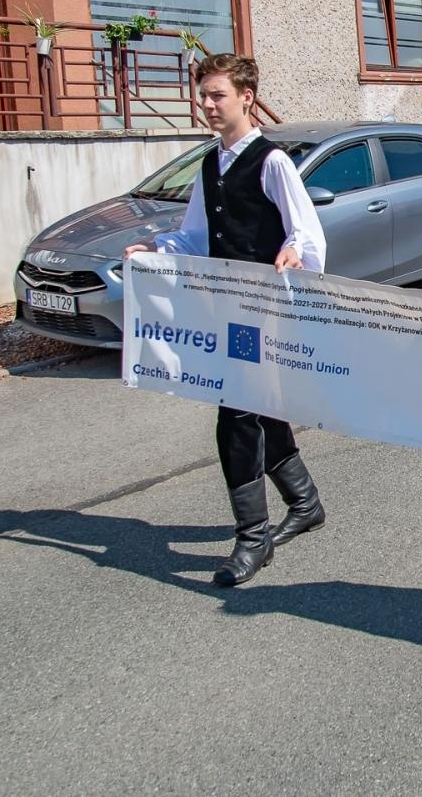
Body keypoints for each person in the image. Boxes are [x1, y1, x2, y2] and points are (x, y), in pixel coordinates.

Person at [124, 54, 328, 587]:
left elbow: (306, 231)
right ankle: (304, 503)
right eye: (204, 95)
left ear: (246, 96)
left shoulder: (272, 161)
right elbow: (195, 236)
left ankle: (253, 537)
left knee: (236, 415)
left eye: (218, 95)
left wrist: (294, 252)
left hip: (266, 311)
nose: (208, 105)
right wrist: (157, 247)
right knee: (262, 407)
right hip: (226, 307)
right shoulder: (210, 164)